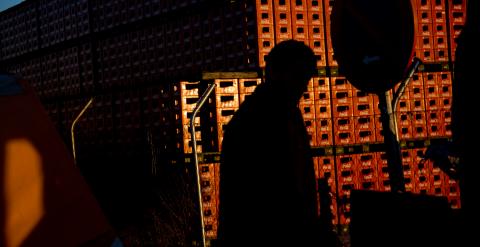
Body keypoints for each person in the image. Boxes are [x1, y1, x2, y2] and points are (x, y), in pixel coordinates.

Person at [217, 40, 322, 246]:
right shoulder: (264, 119)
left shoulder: (281, 113)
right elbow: (279, 190)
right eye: (300, 76)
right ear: (278, 73)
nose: (304, 87)